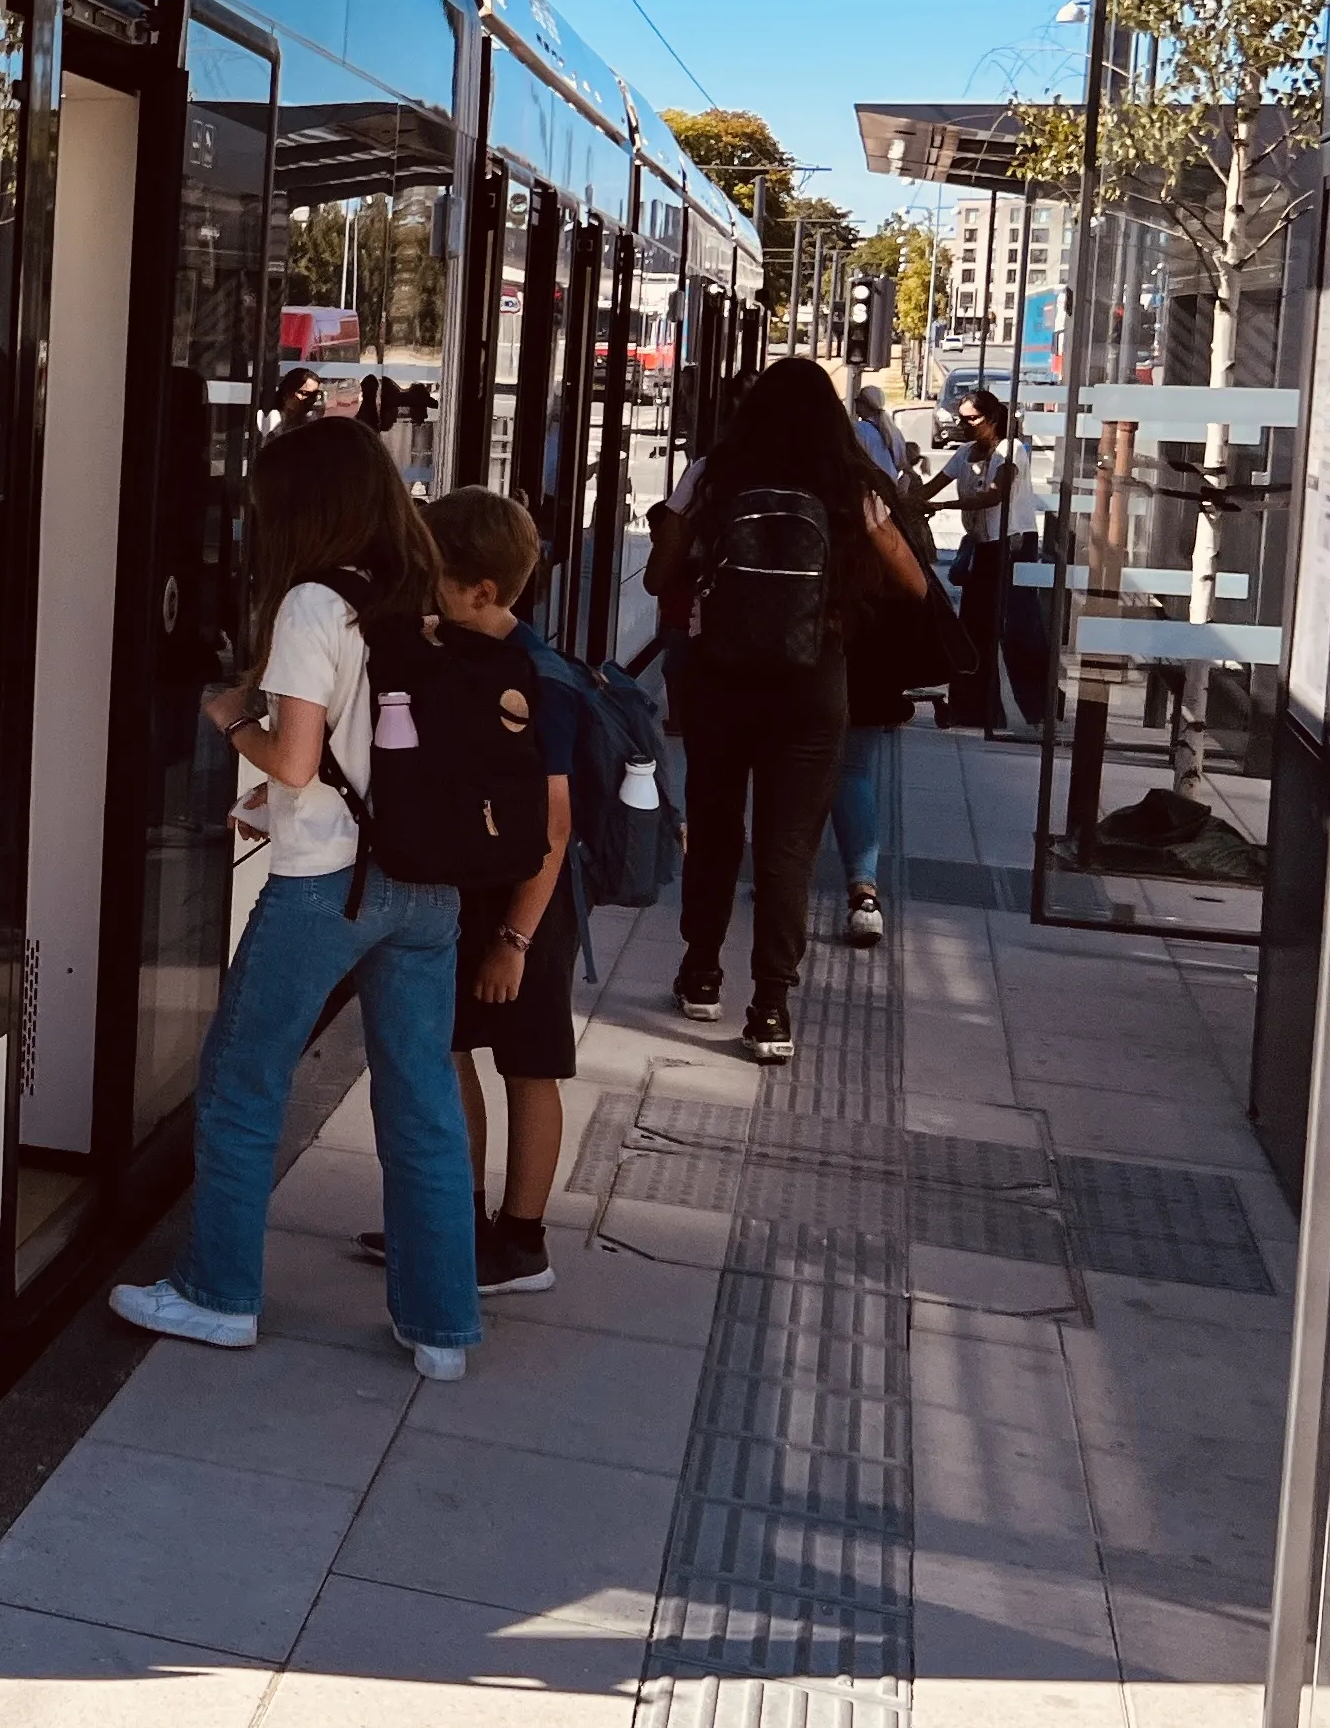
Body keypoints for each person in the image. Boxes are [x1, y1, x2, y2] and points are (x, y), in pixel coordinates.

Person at [114, 418, 478, 1379]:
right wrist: (275, 802)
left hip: (328, 890)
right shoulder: (419, 594)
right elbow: (374, 758)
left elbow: (302, 757)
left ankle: (216, 1294)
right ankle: (441, 1328)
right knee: (421, 1101)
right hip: (426, 890)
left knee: (242, 1082)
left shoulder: (315, 605)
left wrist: (235, 719)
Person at [647, 356, 933, 1061]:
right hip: (812, 681)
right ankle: (771, 1007)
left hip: (720, 677)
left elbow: (660, 576)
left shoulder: (714, 472)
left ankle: (701, 974)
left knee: (714, 829)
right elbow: (915, 585)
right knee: (788, 847)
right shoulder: (846, 482)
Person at [422, 488, 578, 1295]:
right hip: (479, 895)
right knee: (449, 1049)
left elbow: (554, 828)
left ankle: (521, 1242)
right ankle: (455, 1218)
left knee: (528, 1064)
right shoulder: (461, 651)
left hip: (530, 908)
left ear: (482, 592)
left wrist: (514, 940)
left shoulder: (539, 678)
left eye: (434, 578)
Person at [937, 386, 1035, 731]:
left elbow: (996, 495)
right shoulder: (964, 452)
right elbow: (934, 484)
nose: (966, 426)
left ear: (992, 419)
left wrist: (944, 506)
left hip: (1009, 545)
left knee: (1001, 626)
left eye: (973, 419)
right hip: (982, 544)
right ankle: (970, 705)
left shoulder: (1009, 451)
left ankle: (1009, 707)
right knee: (972, 626)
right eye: (961, 420)